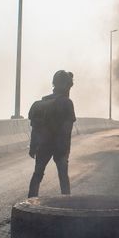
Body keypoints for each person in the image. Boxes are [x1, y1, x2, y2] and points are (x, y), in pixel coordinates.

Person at [27, 70, 75, 198]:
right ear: (66, 85)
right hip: (59, 146)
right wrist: (65, 151)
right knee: (63, 177)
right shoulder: (66, 103)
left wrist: (33, 147)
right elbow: (67, 130)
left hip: (43, 145)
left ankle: (29, 205)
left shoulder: (41, 104)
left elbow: (35, 128)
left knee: (37, 175)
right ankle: (67, 205)